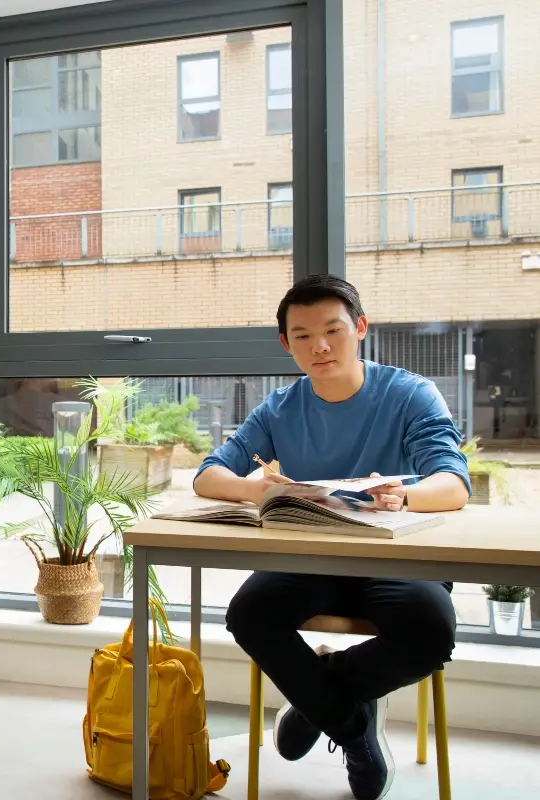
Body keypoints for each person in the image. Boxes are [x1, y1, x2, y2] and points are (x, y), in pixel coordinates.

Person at [195, 275, 469, 800]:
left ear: (360, 328)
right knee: (250, 612)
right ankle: (354, 730)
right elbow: (209, 476)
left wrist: (405, 494)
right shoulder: (280, 406)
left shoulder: (409, 393)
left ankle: (314, 701)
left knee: (430, 629)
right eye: (302, 336)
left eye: (333, 330)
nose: (319, 346)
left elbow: (452, 483)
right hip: (311, 555)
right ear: (287, 344)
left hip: (394, 555)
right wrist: (255, 491)